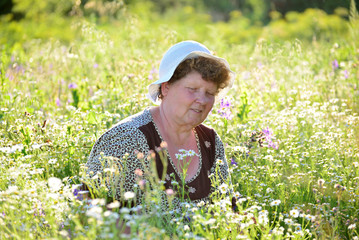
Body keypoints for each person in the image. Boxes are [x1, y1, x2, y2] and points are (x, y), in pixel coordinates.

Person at [85, 40, 236, 210]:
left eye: (209, 93)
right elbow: (90, 213)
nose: (202, 100)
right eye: (192, 89)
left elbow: (229, 211)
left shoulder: (210, 141)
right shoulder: (127, 138)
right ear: (166, 88)